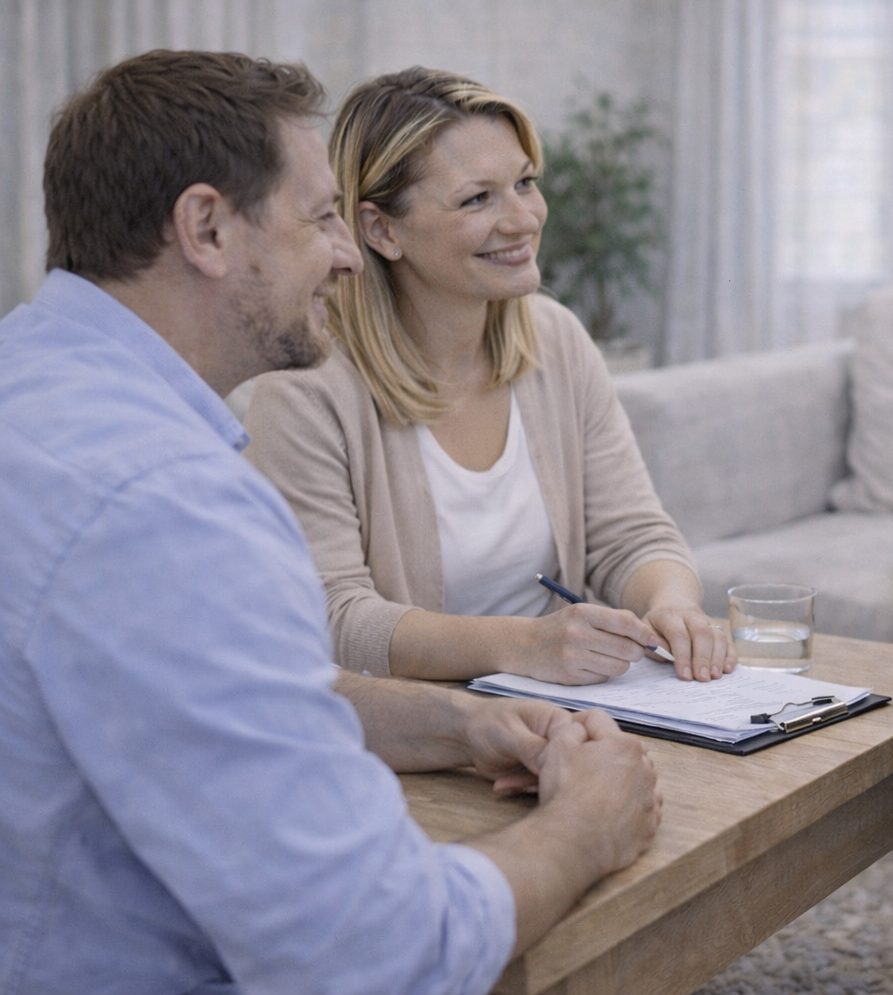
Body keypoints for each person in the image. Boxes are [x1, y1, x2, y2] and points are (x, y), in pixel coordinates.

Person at [0, 49, 661, 995]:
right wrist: (584, 829)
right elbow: (378, 951)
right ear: (206, 229)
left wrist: (458, 724)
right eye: (320, 219)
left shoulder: (30, 385)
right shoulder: (172, 509)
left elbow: (232, 703)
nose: (347, 254)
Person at [244, 67, 732, 687]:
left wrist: (673, 605)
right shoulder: (304, 388)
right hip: (416, 723)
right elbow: (333, 616)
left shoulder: (556, 340)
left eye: (525, 183)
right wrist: (523, 645)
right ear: (381, 229)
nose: (524, 219)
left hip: (567, 708)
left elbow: (630, 535)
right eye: (478, 198)